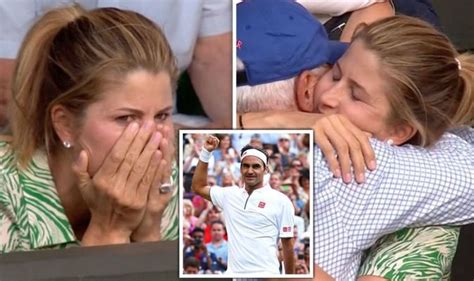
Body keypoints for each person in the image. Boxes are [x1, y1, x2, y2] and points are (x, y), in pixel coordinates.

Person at [237, 1, 474, 280]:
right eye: (334, 75)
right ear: (304, 86)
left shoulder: (221, 156)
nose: (327, 97)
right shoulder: (356, 165)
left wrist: (252, 122)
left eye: (355, 93)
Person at [0, 5, 179, 253]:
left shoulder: (169, 185)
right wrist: (109, 230)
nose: (153, 138)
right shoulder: (6, 193)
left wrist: (148, 235)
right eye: (126, 118)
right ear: (65, 125)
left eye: (162, 116)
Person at [0, 0, 231, 129]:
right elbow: (10, 90)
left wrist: (232, 127)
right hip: (46, 132)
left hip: (162, 121)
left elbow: (212, 55)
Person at [192, 135, 296, 276]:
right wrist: (206, 152)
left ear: (266, 169)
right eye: (245, 166)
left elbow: (287, 245)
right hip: (233, 275)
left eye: (256, 166)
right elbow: (198, 187)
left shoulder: (281, 201)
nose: (250, 171)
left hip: (267, 275)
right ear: (240, 168)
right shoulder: (229, 195)